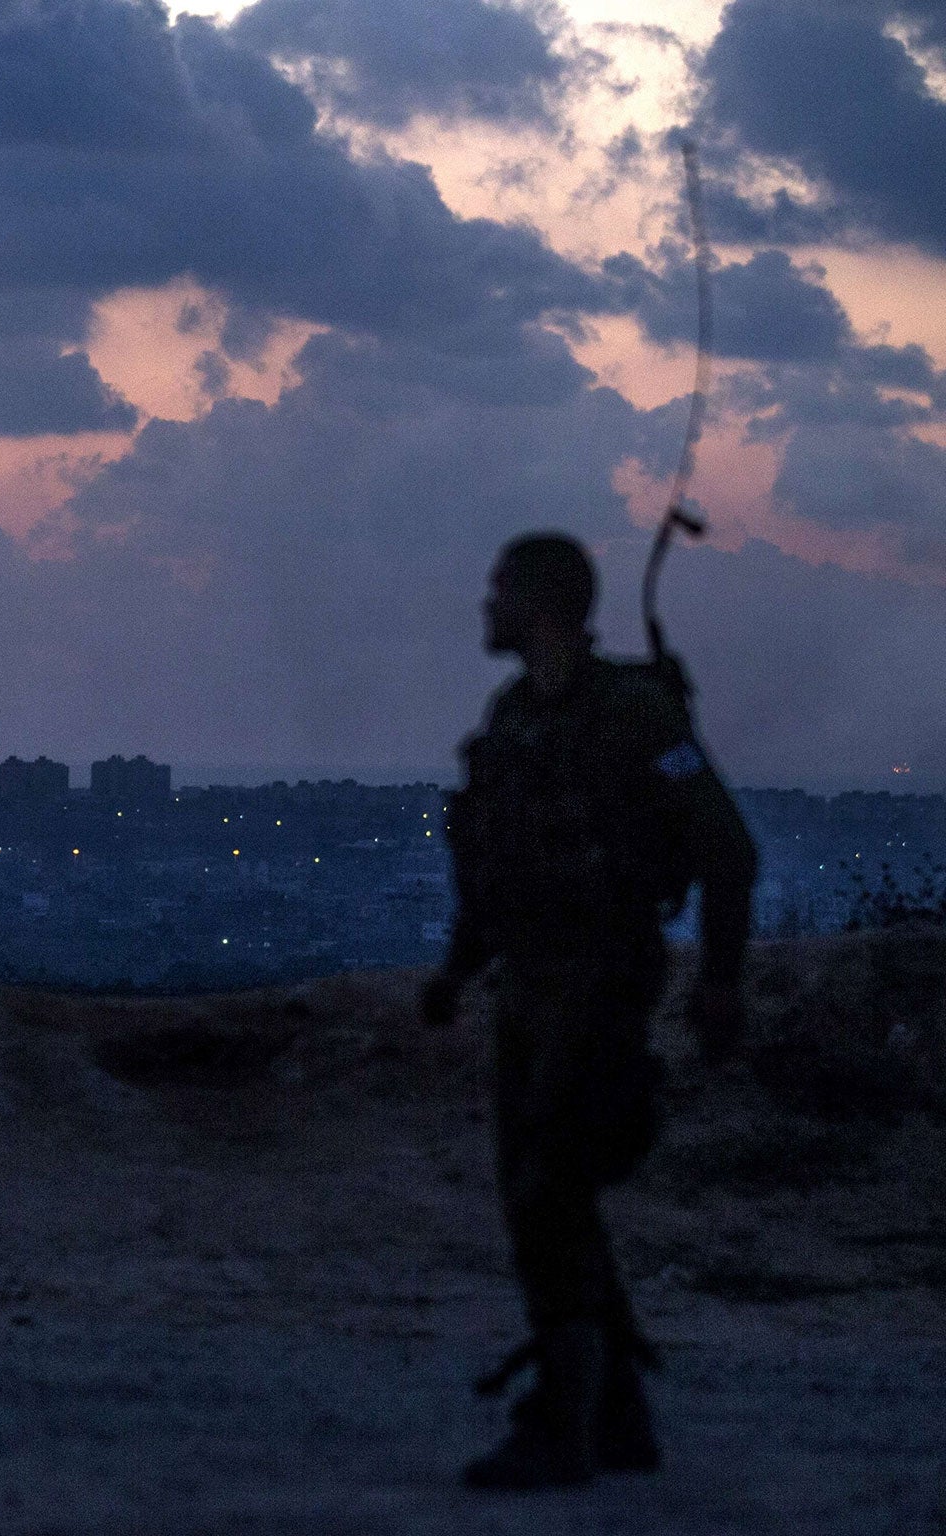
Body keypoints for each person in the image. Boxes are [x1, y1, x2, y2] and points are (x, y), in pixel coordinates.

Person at [423, 533, 758, 1489]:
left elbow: (727, 852)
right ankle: (615, 1414)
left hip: (600, 987)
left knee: (548, 1187)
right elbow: (499, 866)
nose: (484, 607)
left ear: (538, 602)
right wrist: (457, 970)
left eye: (498, 591)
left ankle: (565, 1425)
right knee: (543, 1190)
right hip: (527, 992)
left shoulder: (638, 716)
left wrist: (721, 985)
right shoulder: (517, 717)